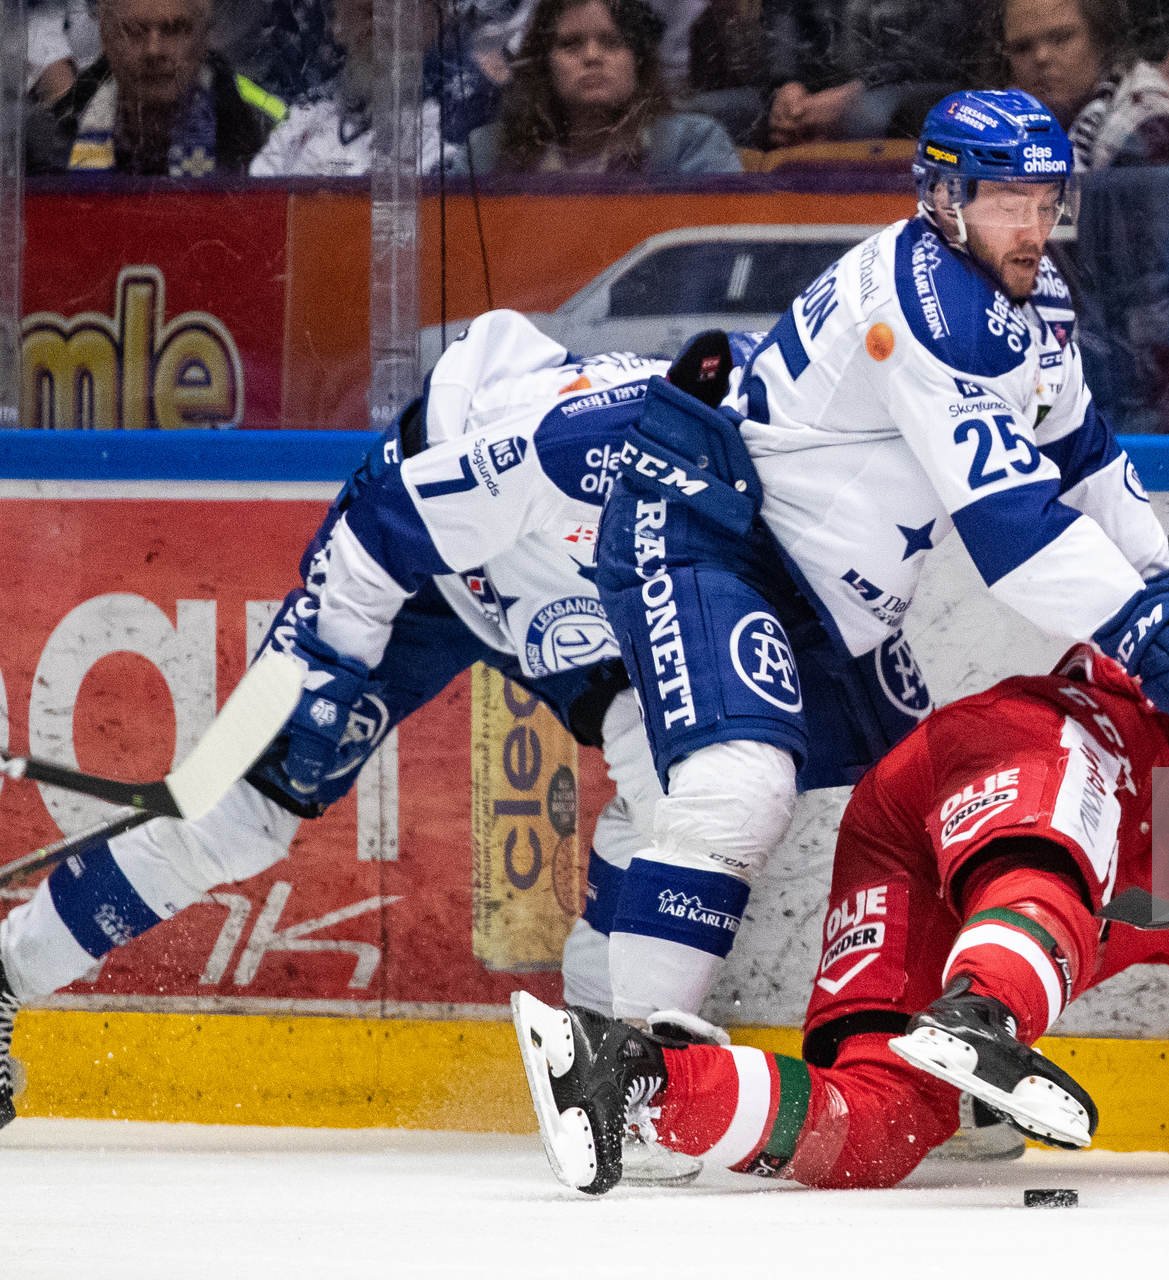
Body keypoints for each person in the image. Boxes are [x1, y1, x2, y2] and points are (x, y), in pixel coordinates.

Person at [579, 88, 1169, 1059]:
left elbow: (1090, 464)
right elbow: (1012, 529)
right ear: (942, 196)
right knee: (739, 786)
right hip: (722, 541)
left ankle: (896, 1046)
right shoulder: (930, 306)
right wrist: (1143, 629)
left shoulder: (1034, 296)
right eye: (1004, 199)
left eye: (1046, 198)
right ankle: (630, 1065)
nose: (1032, 224)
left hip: (828, 600)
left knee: (929, 806)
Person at [0, 327, 760, 1145]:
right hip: (421, 577)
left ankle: (601, 1060)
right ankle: (10, 967)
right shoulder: (547, 444)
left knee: (681, 787)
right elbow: (382, 525)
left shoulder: (755, 452)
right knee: (239, 816)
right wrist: (328, 665)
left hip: (573, 598)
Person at [513, 644, 1169, 1192]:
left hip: (907, 834)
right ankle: (985, 1013)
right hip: (1039, 755)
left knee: (878, 1123)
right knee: (1054, 875)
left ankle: (626, 1076)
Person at [466, 0, 742, 176]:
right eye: (571, 44)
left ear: (638, 60)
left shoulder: (692, 144)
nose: (592, 57)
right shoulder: (485, 153)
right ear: (544, 63)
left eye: (612, 42)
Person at [24, 0, 287, 176]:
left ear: (204, 37)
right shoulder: (44, 151)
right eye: (134, 31)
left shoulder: (268, 145)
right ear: (106, 37)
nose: (154, 50)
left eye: (174, 29)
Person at [249, 0, 458, 177]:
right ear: (336, 26)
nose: (377, 25)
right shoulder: (304, 125)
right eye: (366, 12)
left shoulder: (449, 133)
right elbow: (256, 208)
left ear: (435, 22)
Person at [999, 0, 1169, 168]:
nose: (1040, 57)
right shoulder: (1022, 131)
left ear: (1101, 40)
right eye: (1021, 48)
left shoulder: (1148, 132)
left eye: (1061, 38)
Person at [761, 0, 980, 145]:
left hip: (903, 84)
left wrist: (856, 90)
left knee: (869, 119)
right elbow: (783, 13)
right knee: (732, 117)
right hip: (810, 92)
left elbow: (939, 41)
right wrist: (788, 84)